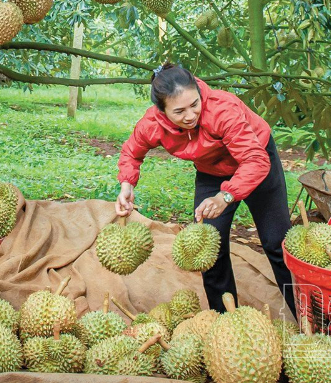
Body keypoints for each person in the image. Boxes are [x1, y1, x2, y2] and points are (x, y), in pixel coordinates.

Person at [115, 63, 296, 317]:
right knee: (209, 247)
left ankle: (311, 317)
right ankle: (225, 322)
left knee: (277, 242)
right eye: (179, 111)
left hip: (256, 160)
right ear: (162, 111)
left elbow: (255, 161)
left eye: (194, 104)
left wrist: (226, 196)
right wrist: (126, 185)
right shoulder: (151, 124)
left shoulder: (222, 109)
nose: (190, 115)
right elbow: (132, 152)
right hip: (212, 171)